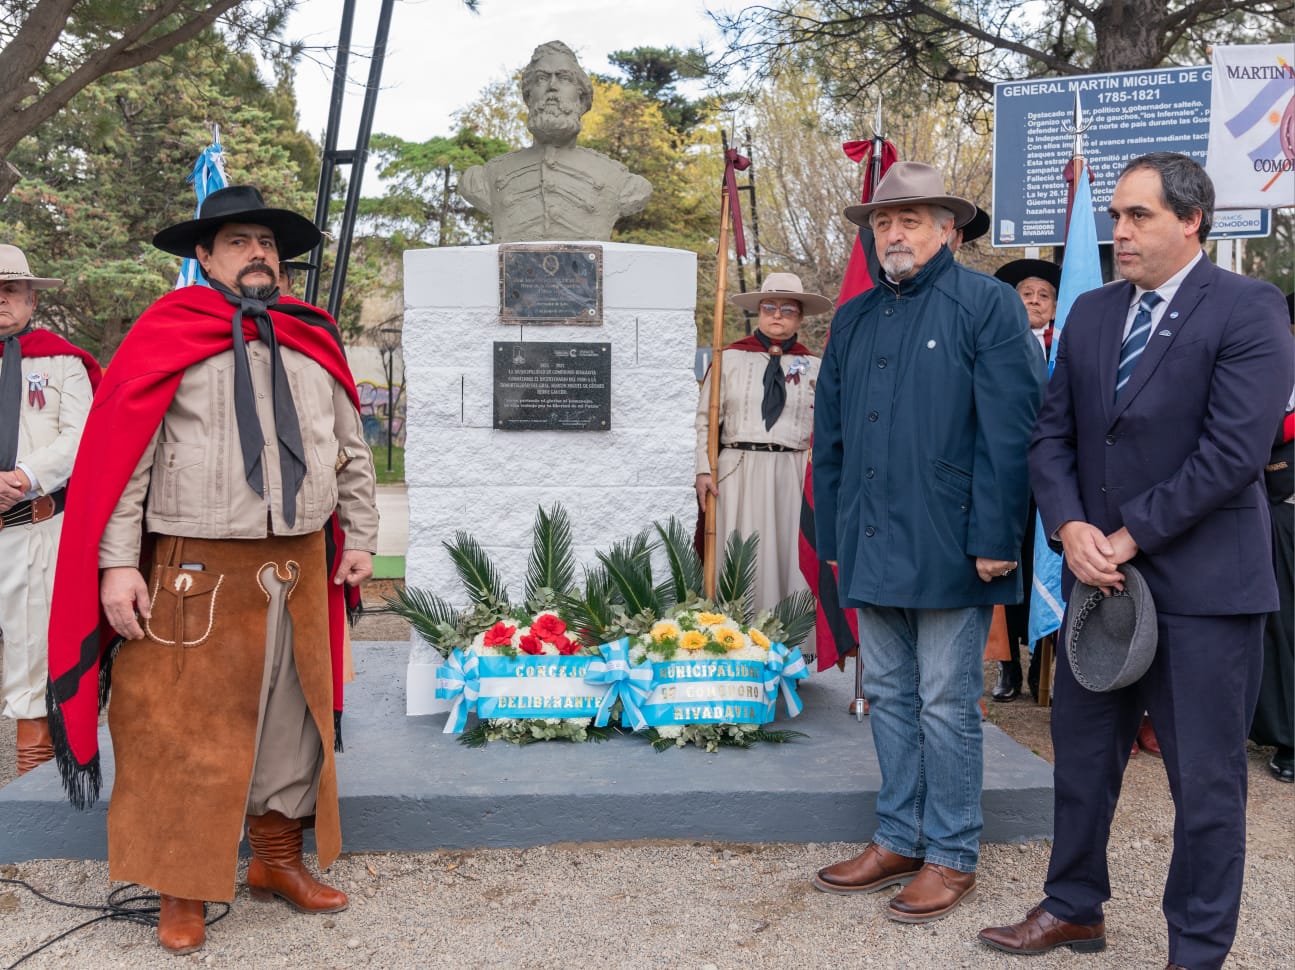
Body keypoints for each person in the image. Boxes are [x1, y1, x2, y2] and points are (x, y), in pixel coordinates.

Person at [46, 185, 379, 956]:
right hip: (195, 568)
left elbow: (349, 446)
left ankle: (274, 863)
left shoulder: (312, 336)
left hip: (298, 565)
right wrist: (116, 565)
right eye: (237, 242)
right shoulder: (166, 334)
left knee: (294, 729)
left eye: (265, 241)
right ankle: (183, 888)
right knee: (180, 731)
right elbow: (123, 463)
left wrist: (357, 533)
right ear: (203, 257)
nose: (256, 253)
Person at [979, 153, 1292, 969]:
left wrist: (1128, 534)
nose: (1117, 232)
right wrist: (1070, 525)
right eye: (1113, 216)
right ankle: (1073, 908)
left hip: (1202, 590)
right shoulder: (1088, 313)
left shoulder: (1248, 309)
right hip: (1094, 584)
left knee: (1205, 787)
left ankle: (1194, 948)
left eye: (1137, 216)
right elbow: (1051, 436)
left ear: (1190, 220)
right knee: (1081, 763)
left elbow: (1234, 450)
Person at [811, 162, 1044, 922]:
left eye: (910, 219)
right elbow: (832, 439)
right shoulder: (852, 316)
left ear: (948, 229)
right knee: (888, 697)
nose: (894, 233)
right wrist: (838, 531)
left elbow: (1011, 435)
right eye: (883, 221)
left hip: (956, 542)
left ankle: (950, 853)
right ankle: (898, 837)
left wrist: (996, 537)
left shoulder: (986, 305)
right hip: (872, 540)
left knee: (947, 704)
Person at [0, 245, 99, 773]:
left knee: (32, 650)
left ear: (32, 299)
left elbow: (81, 436)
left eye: (10, 290)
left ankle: (30, 779)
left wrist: (23, 478)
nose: (1, 300)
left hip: (36, 529)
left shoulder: (63, 362)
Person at [695, 273, 833, 618]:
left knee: (789, 557)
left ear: (800, 317)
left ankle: (787, 642)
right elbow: (704, 422)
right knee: (739, 554)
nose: (777, 315)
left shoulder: (817, 367)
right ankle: (733, 638)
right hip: (738, 469)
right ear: (758, 311)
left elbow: (830, 427)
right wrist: (701, 468)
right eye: (769, 307)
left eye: (788, 309)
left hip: (793, 471)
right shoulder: (729, 359)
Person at [459, 40, 651, 242]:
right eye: (541, 79)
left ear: (582, 97)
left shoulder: (619, 181)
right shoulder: (486, 177)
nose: (552, 87)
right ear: (529, 95)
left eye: (564, 78)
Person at [987, 258, 1061, 702]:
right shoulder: (995, 344)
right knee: (1002, 566)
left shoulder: (1068, 347)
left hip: (1050, 479)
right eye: (1025, 293)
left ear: (1055, 306)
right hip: (1005, 473)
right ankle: (1007, 665)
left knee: (1043, 568)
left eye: (1044, 295)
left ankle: (1043, 666)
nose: (1034, 300)